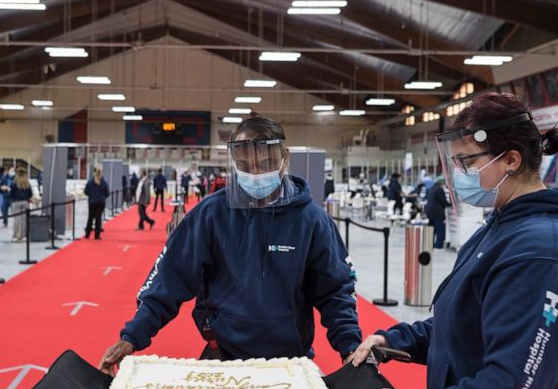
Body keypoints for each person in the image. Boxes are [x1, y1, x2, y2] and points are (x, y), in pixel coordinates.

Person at [350, 92, 558, 389]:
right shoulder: (500, 228)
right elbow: (465, 321)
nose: (458, 172)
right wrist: (395, 340)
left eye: (466, 161)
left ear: (511, 160)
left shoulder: (541, 252)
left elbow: (512, 388)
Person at [99, 116, 362, 373]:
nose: (256, 173)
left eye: (266, 163)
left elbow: (335, 291)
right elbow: (169, 278)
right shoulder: (211, 214)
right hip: (221, 356)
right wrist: (132, 336)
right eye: (245, 165)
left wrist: (350, 347)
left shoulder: (312, 220)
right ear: (235, 162)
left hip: (291, 361)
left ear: (286, 157)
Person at [8, 168, 35, 242]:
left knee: (17, 220)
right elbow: (30, 194)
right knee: (24, 220)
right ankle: (23, 236)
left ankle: (15, 236)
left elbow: (11, 193)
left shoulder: (14, 183)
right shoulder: (27, 183)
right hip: (25, 202)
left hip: (16, 202)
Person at [424, 176, 450, 249]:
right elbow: (443, 201)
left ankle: (430, 243)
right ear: (441, 182)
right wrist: (450, 205)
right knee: (440, 229)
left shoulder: (431, 188)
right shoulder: (439, 189)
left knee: (432, 229)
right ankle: (438, 244)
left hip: (429, 211)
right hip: (437, 212)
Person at [84, 167, 109, 240]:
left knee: (90, 218)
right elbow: (107, 193)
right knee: (98, 219)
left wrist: (91, 195)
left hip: (92, 202)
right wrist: (102, 197)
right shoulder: (104, 182)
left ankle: (87, 235)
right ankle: (97, 236)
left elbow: (86, 191)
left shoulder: (90, 181)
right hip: (100, 203)